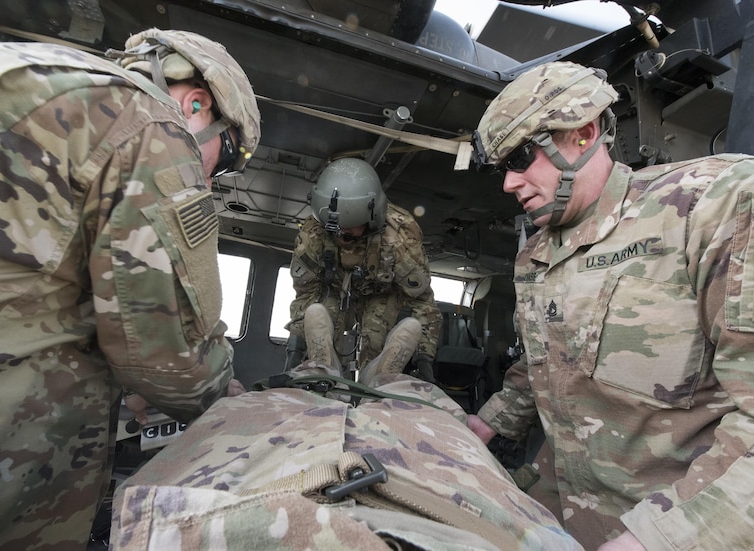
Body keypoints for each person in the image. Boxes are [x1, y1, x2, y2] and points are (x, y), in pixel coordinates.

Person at [0, 29, 259, 549]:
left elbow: (25, 277)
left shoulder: (35, 74)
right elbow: (169, 360)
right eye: (230, 155)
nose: (215, 177)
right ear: (198, 103)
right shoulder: (151, 123)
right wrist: (228, 399)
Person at [469, 60, 754, 550]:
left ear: (581, 134)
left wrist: (660, 538)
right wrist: (484, 425)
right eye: (501, 169)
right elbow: (544, 363)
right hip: (565, 513)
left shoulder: (711, 205)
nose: (508, 184)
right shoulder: (535, 256)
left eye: (518, 159)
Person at [110, 301, 583, 550]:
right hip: (448, 492)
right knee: (411, 399)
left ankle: (320, 363)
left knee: (292, 390)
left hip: (242, 478)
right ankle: (390, 374)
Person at [286, 157, 442, 382]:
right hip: (335, 287)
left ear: (372, 218)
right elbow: (306, 293)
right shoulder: (314, 235)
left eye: (348, 231)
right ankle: (324, 371)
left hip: (381, 294)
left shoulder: (398, 240)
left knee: (374, 341)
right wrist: (295, 347)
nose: (340, 236)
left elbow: (422, 301)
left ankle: (377, 379)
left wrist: (424, 357)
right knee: (319, 318)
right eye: (335, 229)